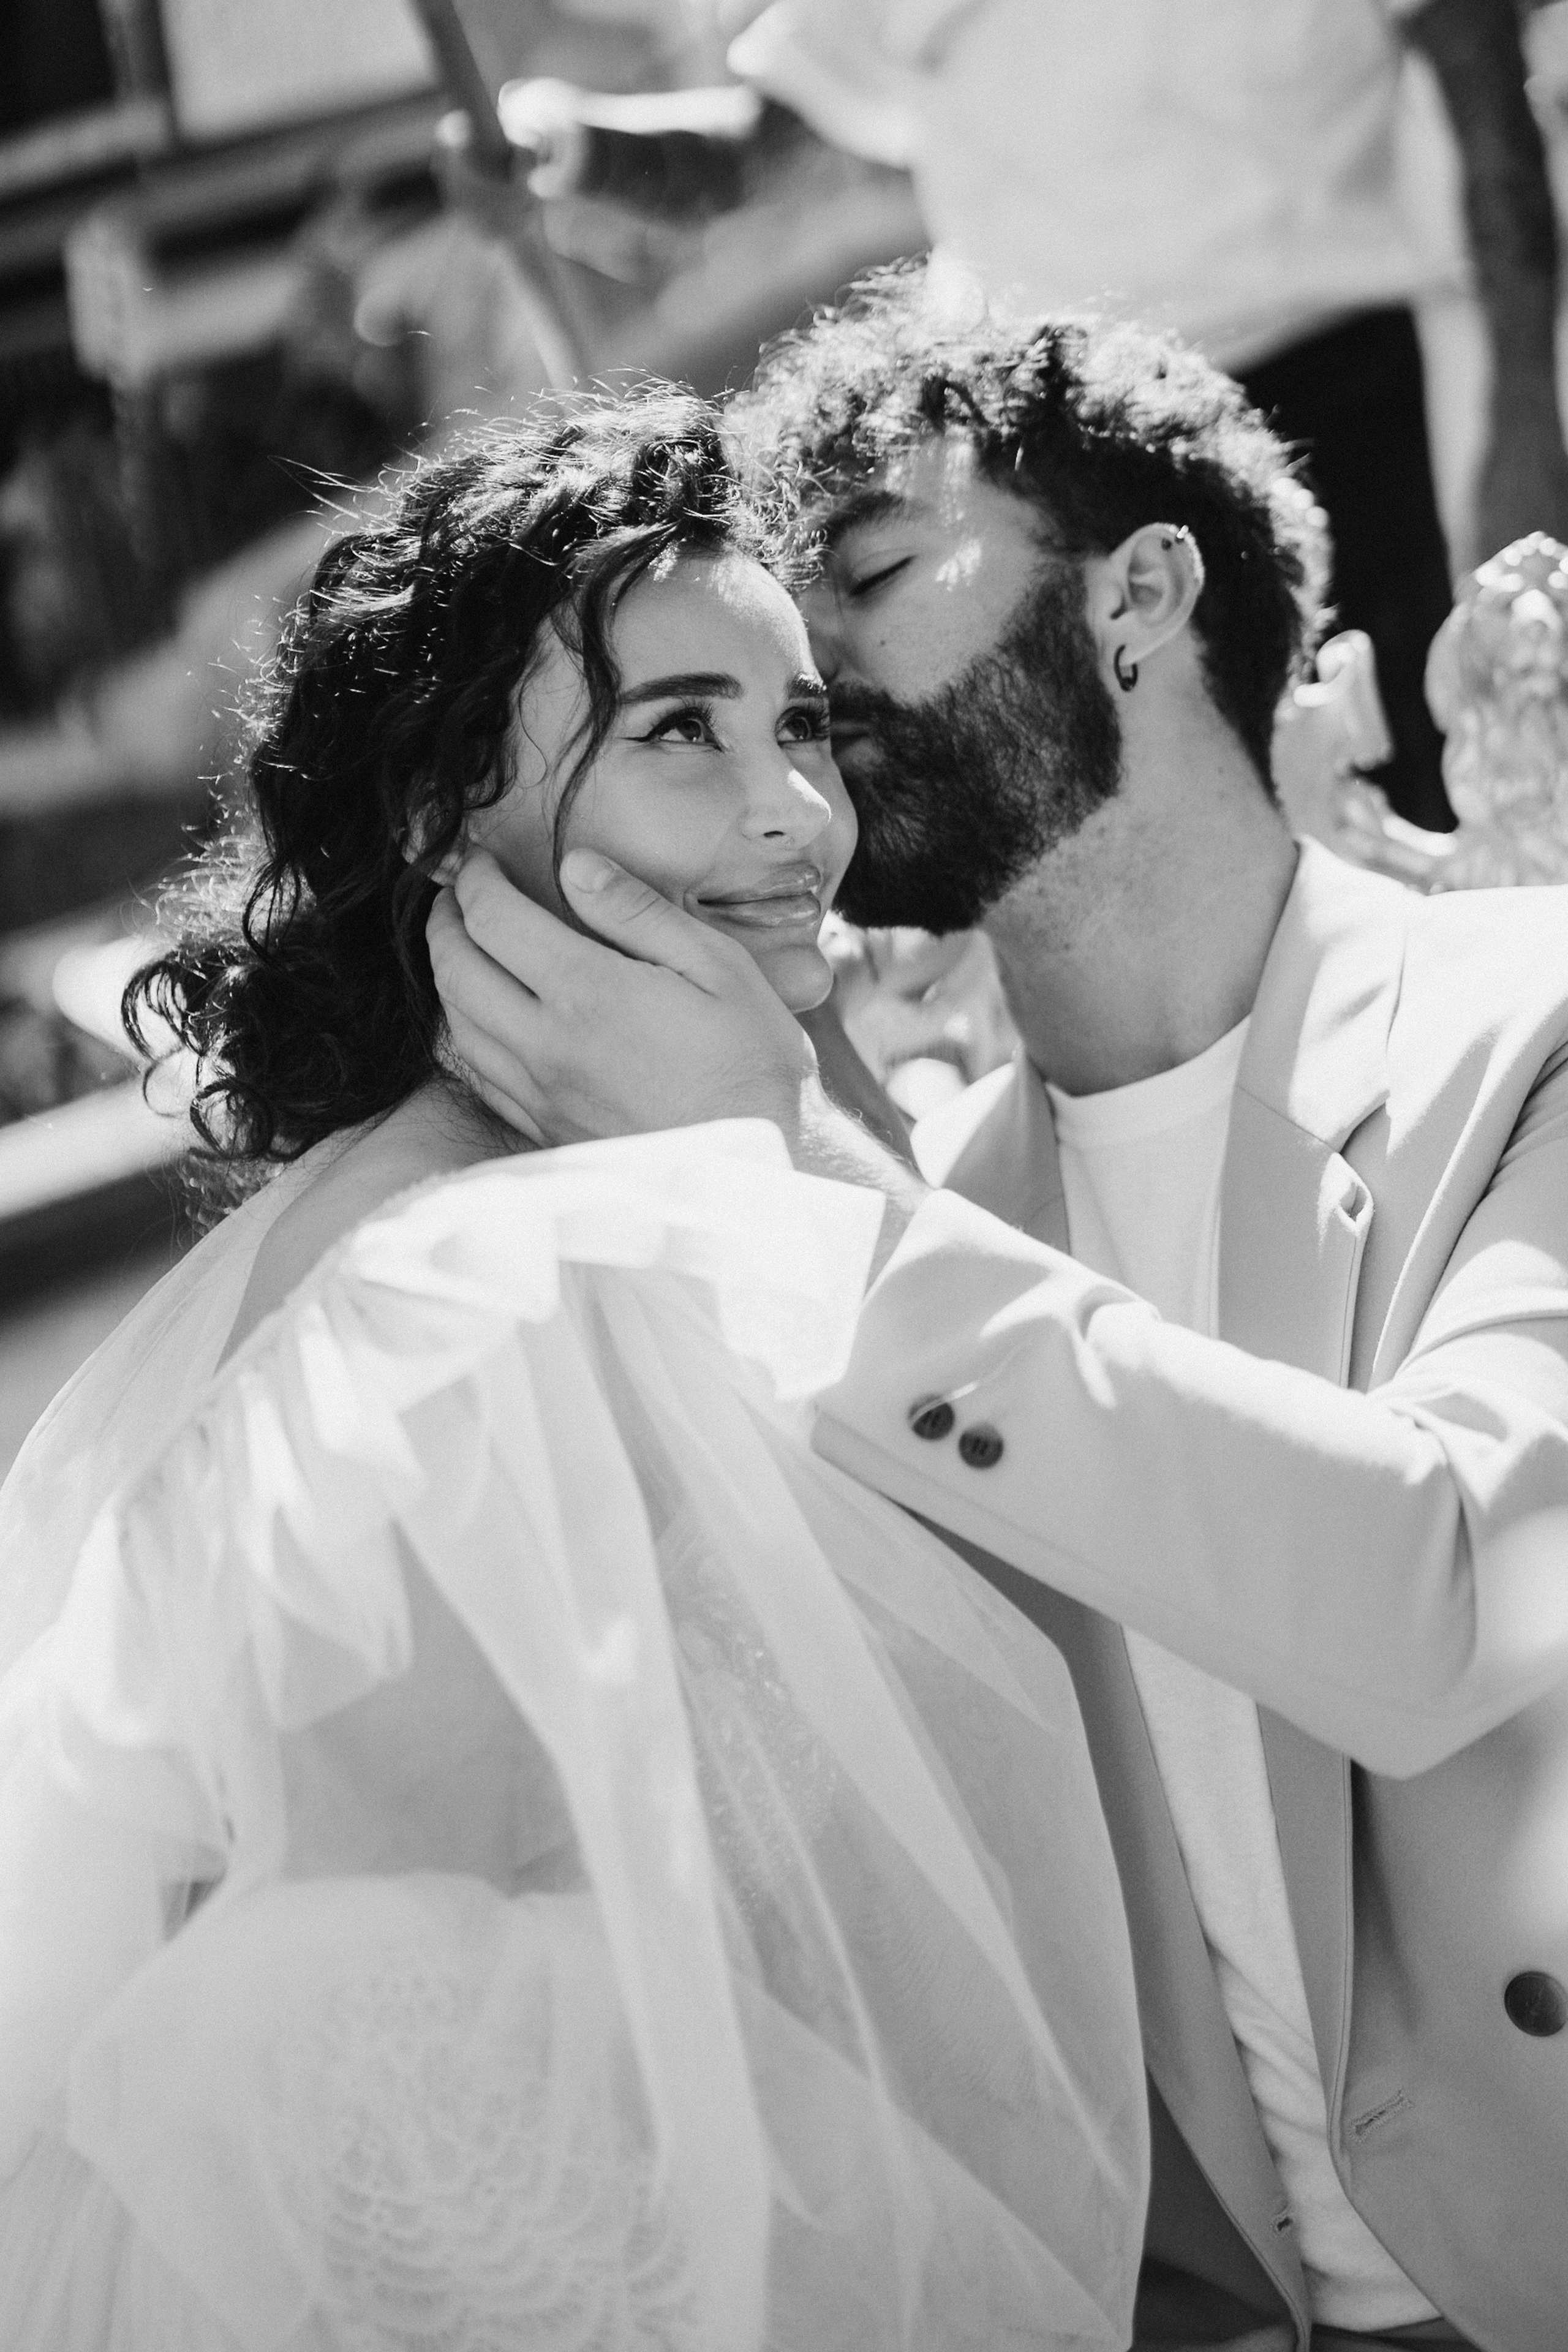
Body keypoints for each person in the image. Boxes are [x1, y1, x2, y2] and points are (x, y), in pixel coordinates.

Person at [426, 267, 1568, 2351]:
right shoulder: (934, 1217)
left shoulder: (1532, 1028)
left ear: (1140, 593)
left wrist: (811, 1186)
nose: (815, 673)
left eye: (867, 565)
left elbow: (1454, 1600)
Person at [0, 393, 1147, 2350]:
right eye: (681, 731)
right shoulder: (490, 1285)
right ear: (451, 811)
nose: (801, 819)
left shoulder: (504, 1197)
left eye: (800, 726)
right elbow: (348, 2025)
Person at [511, 0, 1568, 835]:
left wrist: (1528, 424)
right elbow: (754, 148)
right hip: (1065, 464)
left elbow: (1506, 166)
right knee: (1174, 849)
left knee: (1450, 804)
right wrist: (559, 147)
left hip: (1352, 418)